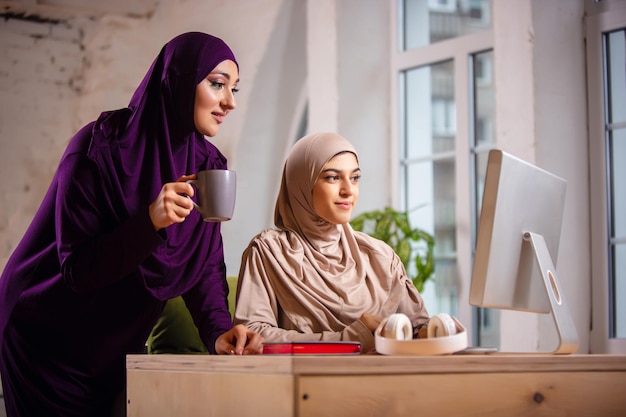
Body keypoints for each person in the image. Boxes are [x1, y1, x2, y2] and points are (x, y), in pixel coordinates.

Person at [0, 32, 263, 417]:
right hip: (46, 341)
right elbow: (77, 271)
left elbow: (204, 262)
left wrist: (218, 332)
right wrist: (150, 221)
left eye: (234, 88)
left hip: (117, 349)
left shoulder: (208, 165)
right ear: (177, 80)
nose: (230, 102)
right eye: (217, 84)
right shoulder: (97, 149)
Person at [233, 132, 430, 354]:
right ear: (302, 184)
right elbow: (253, 336)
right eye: (333, 177)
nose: (348, 190)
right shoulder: (269, 252)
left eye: (354, 178)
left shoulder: (380, 256)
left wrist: (438, 331)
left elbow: (418, 330)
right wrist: (348, 339)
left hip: (384, 382)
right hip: (303, 384)